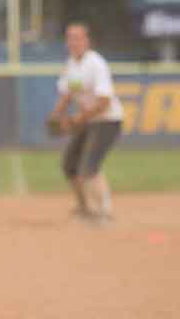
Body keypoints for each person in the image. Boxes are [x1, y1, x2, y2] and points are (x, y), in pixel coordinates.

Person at [48, 23, 123, 224]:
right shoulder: (71, 64)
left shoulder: (96, 64)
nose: (74, 42)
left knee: (89, 167)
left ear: (87, 41)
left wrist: (77, 119)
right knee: (69, 165)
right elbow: (67, 93)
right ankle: (84, 209)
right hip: (89, 121)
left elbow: (104, 102)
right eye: (70, 37)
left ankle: (105, 213)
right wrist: (56, 114)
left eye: (78, 37)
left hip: (108, 120)